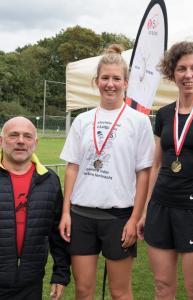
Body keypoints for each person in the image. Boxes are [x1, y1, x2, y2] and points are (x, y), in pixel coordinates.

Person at [59, 44, 155, 300]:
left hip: (119, 218)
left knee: (120, 292)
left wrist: (135, 219)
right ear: (96, 81)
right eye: (105, 78)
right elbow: (72, 167)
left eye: (116, 78)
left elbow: (143, 174)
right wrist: (66, 211)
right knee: (83, 290)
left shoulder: (139, 121)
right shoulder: (82, 120)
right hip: (81, 215)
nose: (110, 84)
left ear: (126, 82)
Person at [137, 41, 193, 300]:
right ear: (172, 73)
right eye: (181, 69)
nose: (188, 75)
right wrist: (145, 209)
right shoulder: (164, 114)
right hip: (161, 208)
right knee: (163, 287)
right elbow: (156, 165)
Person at [0, 116, 70, 300]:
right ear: (1, 141)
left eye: (27, 136)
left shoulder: (49, 180)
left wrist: (60, 274)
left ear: (35, 143)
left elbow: (58, 233)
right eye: (13, 135)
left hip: (30, 284)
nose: (21, 141)